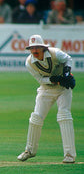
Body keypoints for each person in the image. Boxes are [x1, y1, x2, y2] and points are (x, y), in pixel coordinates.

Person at [18, 34, 76, 164]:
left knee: (64, 116)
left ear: (43, 48)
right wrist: (55, 79)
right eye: (32, 49)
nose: (34, 51)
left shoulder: (55, 53)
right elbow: (40, 79)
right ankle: (30, 151)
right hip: (46, 89)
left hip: (63, 89)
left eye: (37, 48)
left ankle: (69, 155)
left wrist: (66, 74)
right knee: (36, 117)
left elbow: (68, 59)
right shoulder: (29, 62)